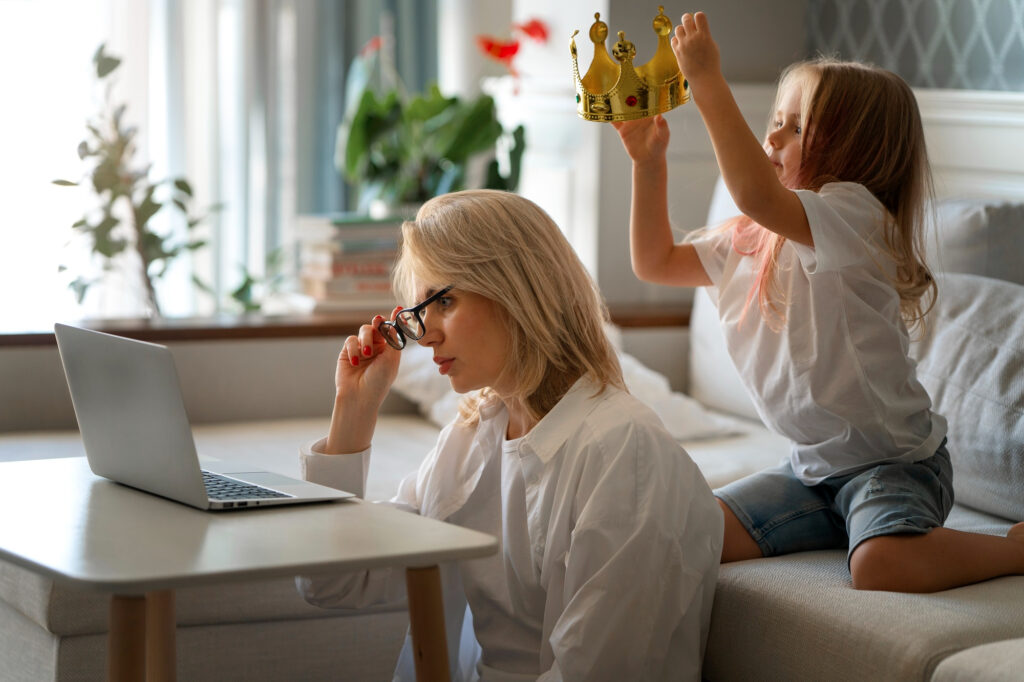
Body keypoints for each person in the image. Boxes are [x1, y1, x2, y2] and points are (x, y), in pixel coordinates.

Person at [613, 11, 1024, 593]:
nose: (773, 137)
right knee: (692, 530)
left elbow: (755, 193)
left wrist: (707, 82)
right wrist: (648, 164)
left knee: (880, 567)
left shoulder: (855, 217)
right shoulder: (751, 238)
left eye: (797, 128)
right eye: (775, 121)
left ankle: (1011, 549)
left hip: (895, 466)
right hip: (810, 470)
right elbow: (654, 263)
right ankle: (850, 525)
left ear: (854, 152)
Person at [296, 189, 723, 681]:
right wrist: (354, 410)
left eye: (444, 301)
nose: (426, 335)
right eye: (419, 314)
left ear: (517, 289)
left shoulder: (625, 452)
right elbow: (334, 582)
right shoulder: (472, 437)